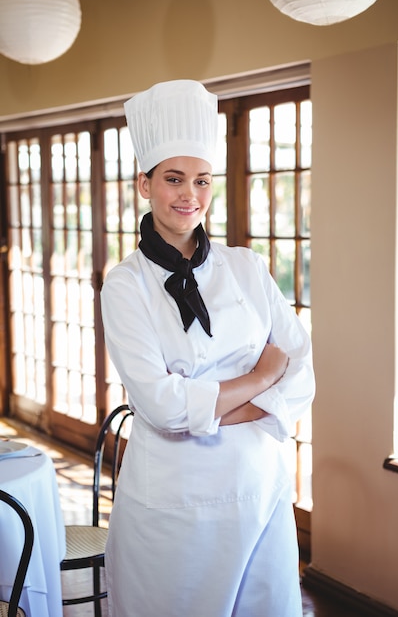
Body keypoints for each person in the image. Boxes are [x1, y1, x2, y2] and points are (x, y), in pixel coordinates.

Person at [100, 79, 315, 617]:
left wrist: (210, 402)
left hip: (260, 491)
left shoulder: (246, 267)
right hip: (173, 507)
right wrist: (258, 380)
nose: (189, 195)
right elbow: (162, 406)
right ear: (144, 184)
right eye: (174, 179)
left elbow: (301, 368)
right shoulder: (125, 285)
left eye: (201, 180)